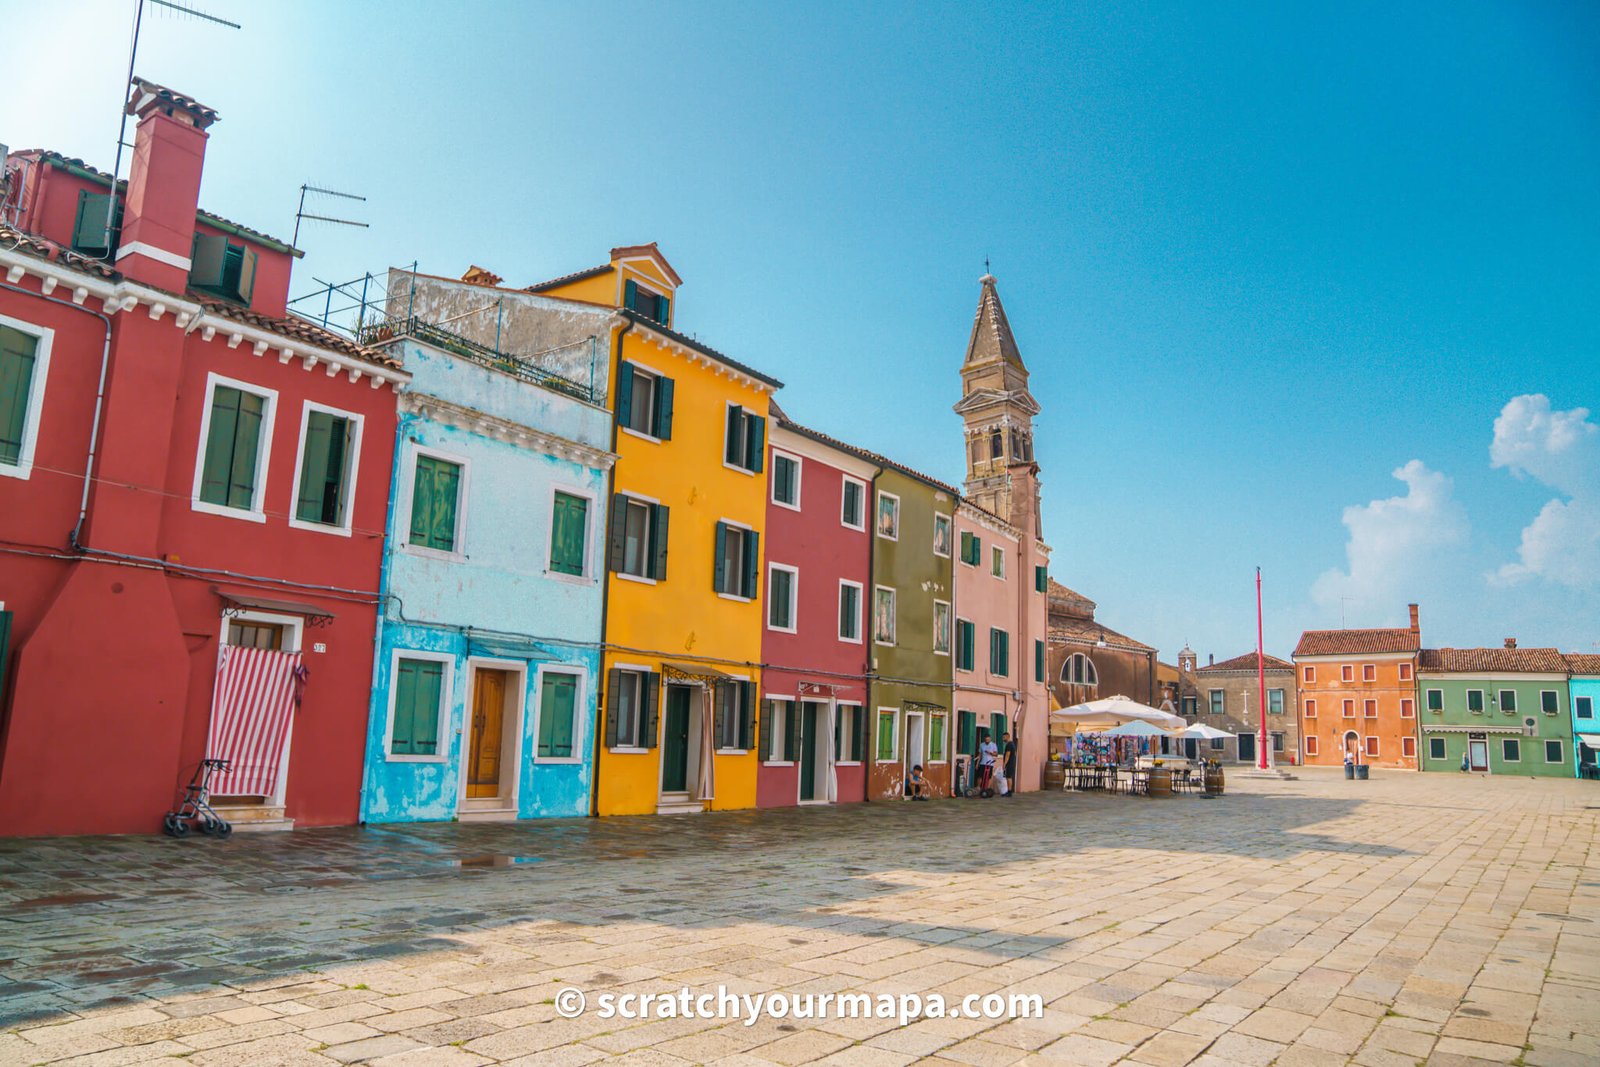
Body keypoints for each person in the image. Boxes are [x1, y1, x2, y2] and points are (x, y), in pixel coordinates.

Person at [977, 729, 998, 795]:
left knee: (989, 776)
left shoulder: (993, 745)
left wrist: (991, 753)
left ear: (990, 739)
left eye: (988, 739)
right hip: (982, 763)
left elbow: (996, 754)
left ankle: (987, 789)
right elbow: (980, 755)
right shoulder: (981, 745)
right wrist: (977, 764)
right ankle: (978, 788)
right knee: (980, 776)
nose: (987, 740)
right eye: (985, 740)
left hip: (990, 763)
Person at [1000, 730, 1017, 797]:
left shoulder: (1009, 745)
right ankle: (1009, 791)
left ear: (1008, 737)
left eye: (1004, 737)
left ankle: (1009, 792)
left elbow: (1007, 755)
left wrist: (1004, 764)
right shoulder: (1012, 744)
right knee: (1009, 777)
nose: (1003, 739)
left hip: (1009, 763)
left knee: (1008, 777)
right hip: (1012, 763)